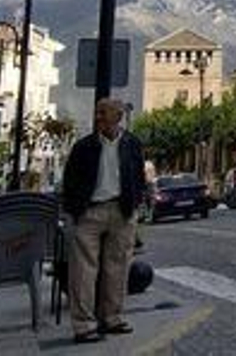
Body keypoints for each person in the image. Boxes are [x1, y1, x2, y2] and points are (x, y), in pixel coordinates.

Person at [61, 98, 146, 345]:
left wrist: (135, 205)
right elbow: (70, 180)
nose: (97, 116)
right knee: (83, 271)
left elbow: (139, 176)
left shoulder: (132, 144)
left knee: (117, 268)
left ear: (118, 117)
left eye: (103, 112)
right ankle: (84, 325)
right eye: (97, 112)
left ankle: (112, 318)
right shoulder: (84, 146)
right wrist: (75, 210)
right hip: (90, 213)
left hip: (122, 211)